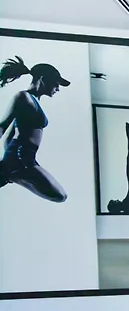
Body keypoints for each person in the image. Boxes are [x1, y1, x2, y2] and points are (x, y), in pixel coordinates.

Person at [0, 56, 70, 202]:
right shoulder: (23, 97)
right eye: (56, 84)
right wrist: (14, 159)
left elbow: (10, 136)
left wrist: (10, 160)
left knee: (60, 196)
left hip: (25, 159)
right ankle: (12, 175)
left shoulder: (32, 101)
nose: (57, 89)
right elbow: (3, 126)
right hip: (21, 158)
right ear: (42, 79)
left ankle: (10, 173)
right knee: (60, 195)